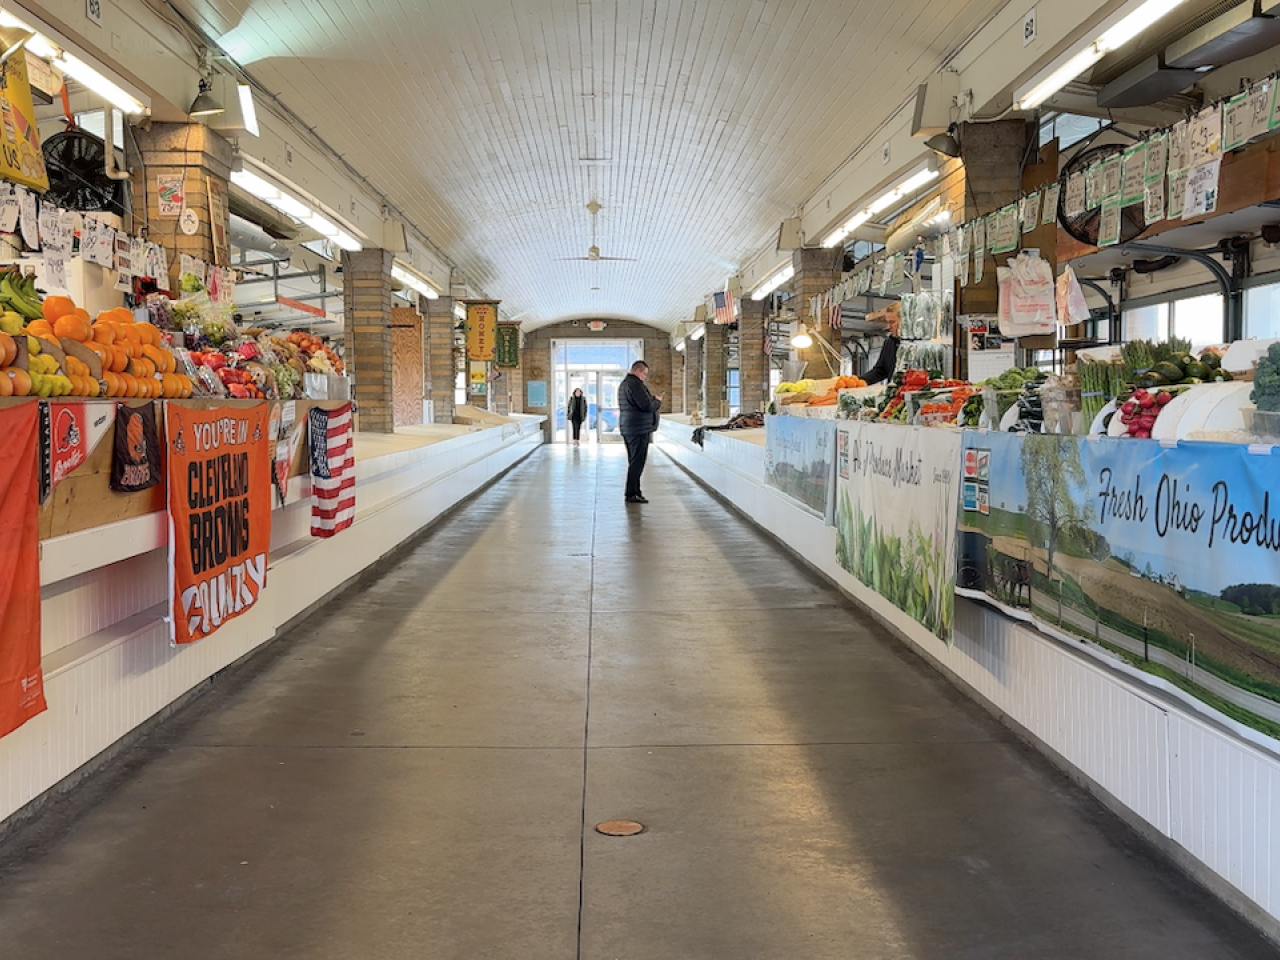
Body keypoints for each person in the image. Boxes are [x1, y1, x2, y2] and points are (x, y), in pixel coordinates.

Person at [618, 360, 663, 504]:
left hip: (630, 427)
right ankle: (632, 493)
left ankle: (635, 491)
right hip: (638, 428)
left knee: (634, 461)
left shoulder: (625, 384)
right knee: (637, 462)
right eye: (644, 374)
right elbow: (646, 406)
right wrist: (657, 401)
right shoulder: (635, 384)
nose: (644, 377)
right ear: (638, 370)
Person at [863, 303, 901, 385]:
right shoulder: (890, 342)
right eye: (887, 322)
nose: (888, 327)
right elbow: (880, 370)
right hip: (894, 393)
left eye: (892, 322)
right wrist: (859, 381)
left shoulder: (918, 345)